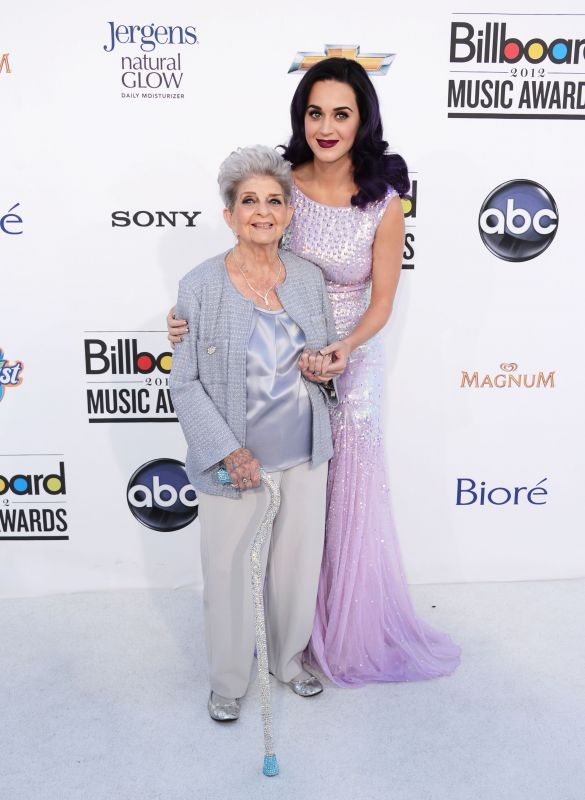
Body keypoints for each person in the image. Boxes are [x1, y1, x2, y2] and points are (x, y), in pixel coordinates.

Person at [169, 58, 461, 687]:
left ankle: (327, 635)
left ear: (363, 121)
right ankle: (261, 637)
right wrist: (190, 319)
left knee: (341, 501)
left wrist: (346, 348)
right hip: (271, 365)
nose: (327, 127)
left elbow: (383, 300)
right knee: (272, 506)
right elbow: (245, 255)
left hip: (349, 365)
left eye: (341, 114)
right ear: (301, 118)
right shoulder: (283, 186)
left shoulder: (383, 201)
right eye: (315, 113)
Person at [169, 145, 345, 721]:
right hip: (237, 460)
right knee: (227, 572)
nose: (262, 212)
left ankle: (288, 662)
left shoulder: (309, 279)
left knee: (296, 566)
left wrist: (324, 367)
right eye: (249, 201)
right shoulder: (199, 285)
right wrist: (227, 451)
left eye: (274, 201)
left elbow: (324, 359)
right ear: (230, 215)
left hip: (305, 452)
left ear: (289, 213)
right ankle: (227, 679)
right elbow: (184, 383)